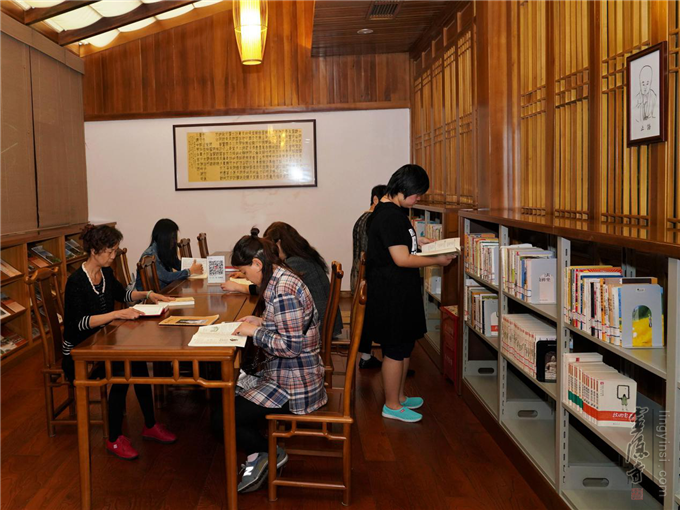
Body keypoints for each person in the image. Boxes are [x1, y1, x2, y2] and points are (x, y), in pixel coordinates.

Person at [63, 224, 177, 460]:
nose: (113, 256)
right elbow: (78, 324)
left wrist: (147, 294)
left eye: (115, 251)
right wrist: (116, 314)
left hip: (103, 342)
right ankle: (114, 438)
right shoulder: (76, 282)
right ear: (94, 251)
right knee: (122, 370)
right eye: (110, 251)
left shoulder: (105, 273)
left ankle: (149, 424)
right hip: (79, 351)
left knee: (136, 363)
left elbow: (123, 294)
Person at [228, 228, 327, 493]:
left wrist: (255, 332)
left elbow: (291, 347)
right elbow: (289, 325)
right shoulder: (279, 277)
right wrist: (260, 321)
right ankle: (258, 455)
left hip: (295, 384)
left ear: (257, 264)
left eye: (244, 272)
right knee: (229, 400)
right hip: (290, 373)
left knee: (224, 417)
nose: (245, 278)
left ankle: (268, 452)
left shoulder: (282, 290)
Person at [363, 164, 455, 423]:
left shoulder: (391, 211)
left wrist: (420, 242)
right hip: (392, 294)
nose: (418, 199)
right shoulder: (390, 216)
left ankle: (400, 397)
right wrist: (437, 260)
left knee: (404, 347)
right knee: (394, 350)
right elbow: (401, 258)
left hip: (400, 291)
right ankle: (391, 404)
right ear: (402, 189)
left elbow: (399, 244)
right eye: (416, 194)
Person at [351, 184, 387, 369]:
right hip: (368, 276)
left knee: (363, 319)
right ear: (375, 199)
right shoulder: (374, 219)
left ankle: (366, 356)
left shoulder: (361, 218)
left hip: (358, 274)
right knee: (375, 318)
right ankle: (390, 361)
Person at [135, 219, 202, 291]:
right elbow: (166, 277)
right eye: (172, 238)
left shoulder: (164, 250)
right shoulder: (150, 255)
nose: (175, 241)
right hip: (152, 296)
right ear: (164, 238)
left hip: (165, 291)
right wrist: (189, 271)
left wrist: (195, 266)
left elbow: (179, 265)